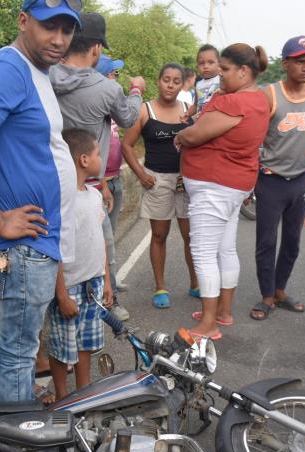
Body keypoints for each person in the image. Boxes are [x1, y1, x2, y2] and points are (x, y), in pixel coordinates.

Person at [0, 0, 80, 402]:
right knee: (18, 355)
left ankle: (18, 427)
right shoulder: (8, 67)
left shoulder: (37, 71)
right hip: (22, 247)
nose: (58, 39)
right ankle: (18, 446)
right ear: (23, 21)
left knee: (21, 352)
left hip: (36, 244)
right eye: (47, 27)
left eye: (67, 30)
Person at [49, 12, 144, 322]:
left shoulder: (44, 76)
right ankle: (108, 301)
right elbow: (129, 119)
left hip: (51, 182)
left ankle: (59, 308)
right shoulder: (106, 89)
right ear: (95, 49)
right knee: (102, 247)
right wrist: (136, 91)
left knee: (57, 253)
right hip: (88, 184)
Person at [175, 44, 271, 340]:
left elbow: (195, 134)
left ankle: (207, 324)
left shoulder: (234, 102)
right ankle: (223, 312)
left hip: (214, 185)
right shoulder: (259, 99)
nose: (219, 73)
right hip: (233, 185)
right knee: (225, 249)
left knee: (203, 252)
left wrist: (180, 135)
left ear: (243, 71)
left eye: (225, 69)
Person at [250, 35, 305, 321]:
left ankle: (281, 290)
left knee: (293, 241)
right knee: (267, 242)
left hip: (299, 181)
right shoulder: (269, 94)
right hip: (271, 180)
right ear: (285, 64)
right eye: (300, 62)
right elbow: (253, 135)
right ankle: (267, 296)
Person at [121, 63, 199, 309]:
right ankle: (160, 287)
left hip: (185, 181)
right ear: (158, 81)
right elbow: (127, 145)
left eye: (176, 81)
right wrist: (141, 174)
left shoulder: (189, 111)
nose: (171, 85)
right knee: (159, 234)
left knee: (191, 236)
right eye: (167, 79)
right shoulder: (145, 111)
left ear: (181, 84)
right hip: (157, 180)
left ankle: (196, 284)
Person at [49, 129, 113, 399]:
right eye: (99, 154)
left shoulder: (93, 195)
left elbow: (99, 241)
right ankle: (63, 396)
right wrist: (61, 294)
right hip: (69, 286)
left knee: (87, 342)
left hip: (93, 283)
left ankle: (83, 392)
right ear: (84, 159)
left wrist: (106, 279)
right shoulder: (61, 200)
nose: (102, 158)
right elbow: (54, 249)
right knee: (62, 346)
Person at [96, 54, 128, 296]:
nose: (116, 78)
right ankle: (111, 294)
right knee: (104, 242)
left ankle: (112, 281)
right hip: (101, 184)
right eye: (113, 73)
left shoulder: (110, 106)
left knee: (111, 237)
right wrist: (104, 183)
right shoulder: (98, 104)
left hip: (115, 179)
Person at [190, 44, 221, 117]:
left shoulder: (222, 80)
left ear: (219, 64)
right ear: (197, 66)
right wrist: (187, 114)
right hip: (200, 123)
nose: (206, 66)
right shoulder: (198, 84)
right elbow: (195, 105)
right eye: (201, 63)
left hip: (217, 121)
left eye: (210, 62)